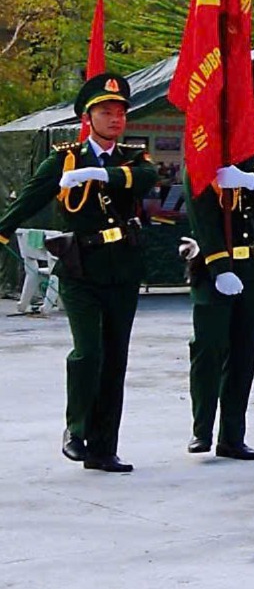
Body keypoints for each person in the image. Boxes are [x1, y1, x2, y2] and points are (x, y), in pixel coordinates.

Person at [0, 73, 155, 472]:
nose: (116, 119)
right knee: (89, 351)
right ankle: (77, 430)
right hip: (80, 268)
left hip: (122, 267)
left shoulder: (132, 158)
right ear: (89, 118)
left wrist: (102, 174)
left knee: (116, 357)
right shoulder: (65, 159)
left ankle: (104, 448)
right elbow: (31, 198)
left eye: (121, 112)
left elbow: (146, 180)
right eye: (107, 112)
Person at [180, 141, 254, 458]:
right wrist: (220, 267)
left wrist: (252, 181)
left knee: (244, 353)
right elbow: (201, 218)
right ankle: (201, 429)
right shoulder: (202, 152)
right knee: (208, 349)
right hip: (213, 269)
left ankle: (232, 436)